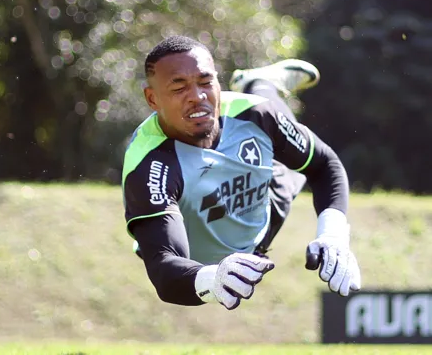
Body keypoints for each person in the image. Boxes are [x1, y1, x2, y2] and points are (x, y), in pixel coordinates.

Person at [122, 35, 361, 310]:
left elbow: (324, 165)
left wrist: (334, 235)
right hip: (198, 263)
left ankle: (261, 83)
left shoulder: (254, 114)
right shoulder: (150, 165)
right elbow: (165, 268)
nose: (197, 97)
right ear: (152, 99)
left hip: (266, 211)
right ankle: (262, 83)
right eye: (179, 88)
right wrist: (212, 279)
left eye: (205, 82)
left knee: (277, 124)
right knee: (274, 125)